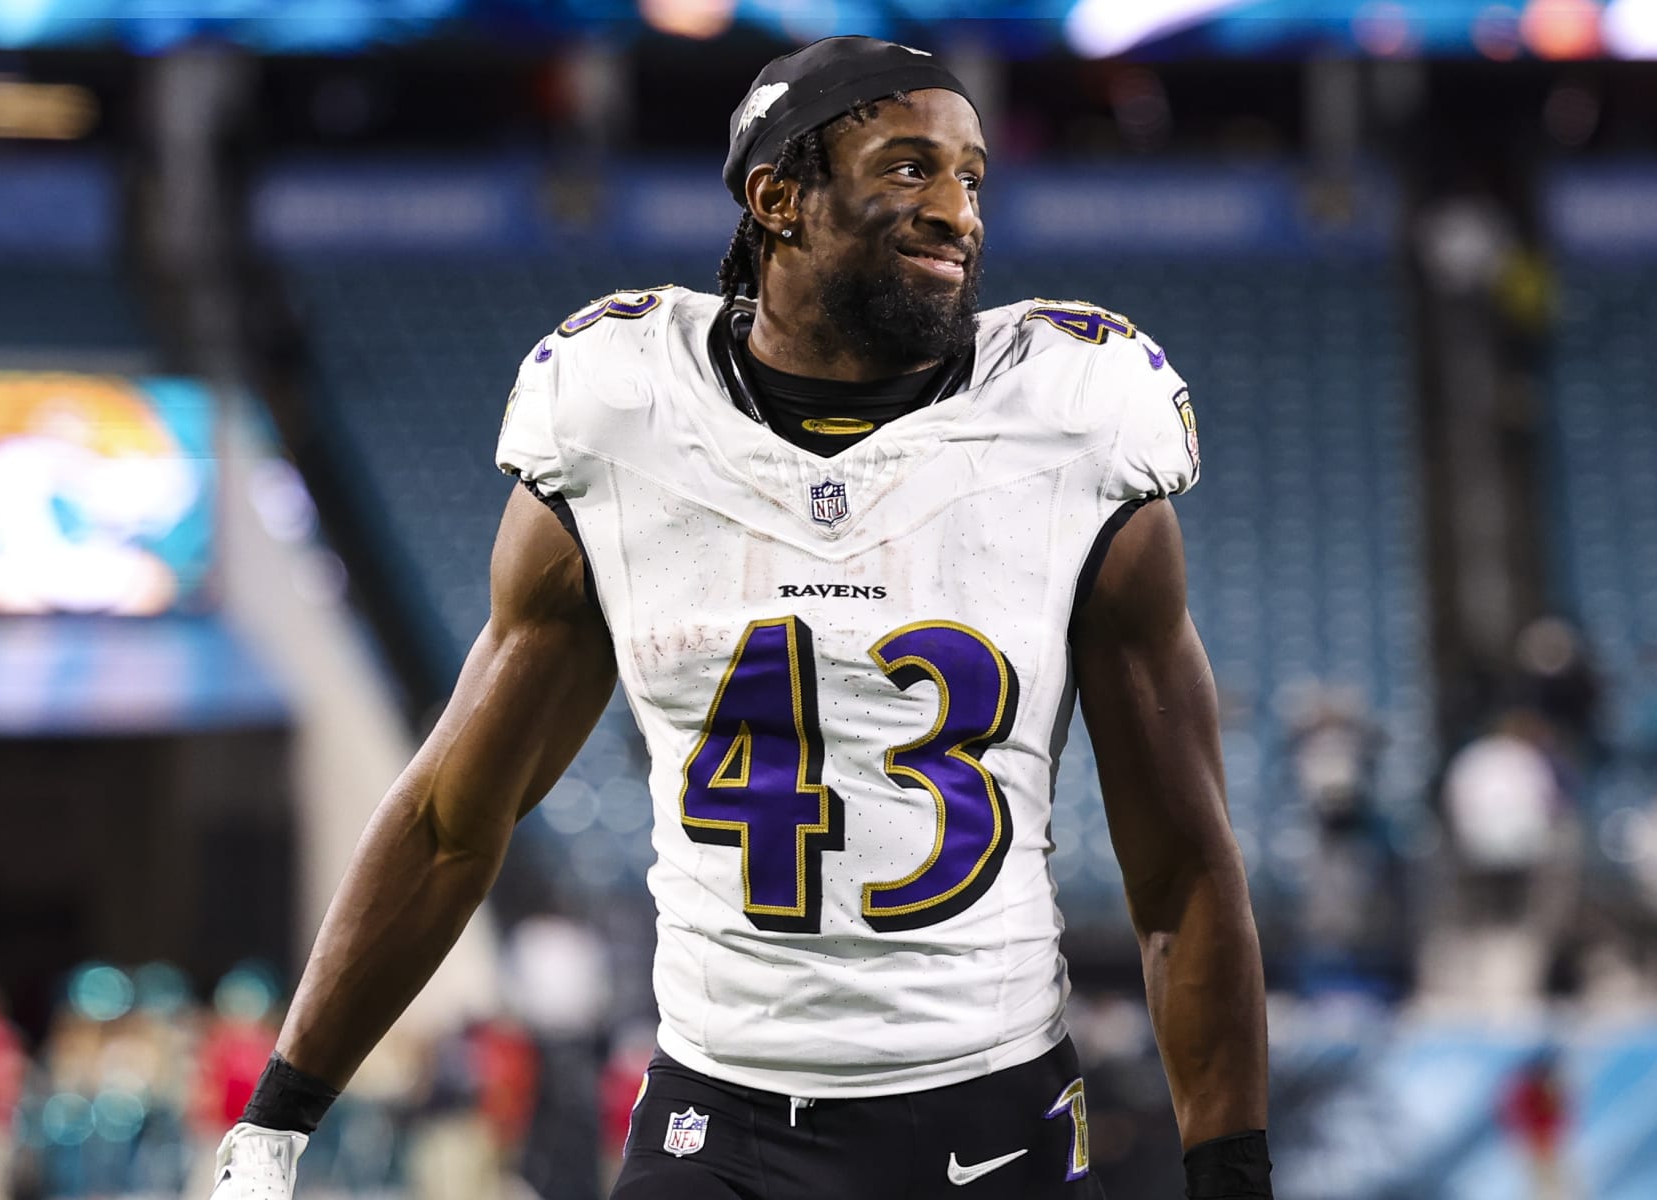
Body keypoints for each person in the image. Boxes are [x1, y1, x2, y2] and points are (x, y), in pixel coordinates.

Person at [210, 36, 1270, 1200]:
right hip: (717, 1117)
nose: (957, 211)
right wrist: (277, 1119)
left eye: (971, 177)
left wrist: (1232, 1172)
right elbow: (455, 819)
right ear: (778, 199)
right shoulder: (621, 415)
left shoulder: (1070, 420)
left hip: (989, 1109)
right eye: (909, 168)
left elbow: (1180, 863)